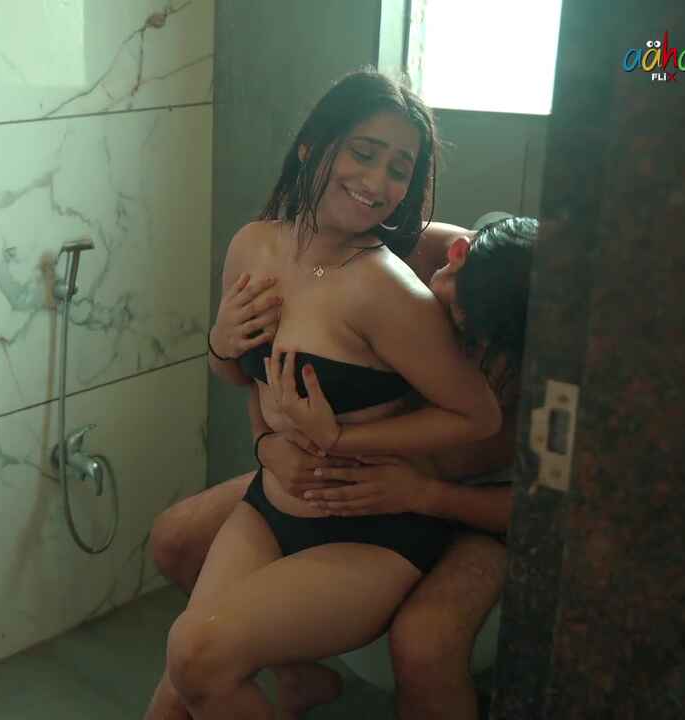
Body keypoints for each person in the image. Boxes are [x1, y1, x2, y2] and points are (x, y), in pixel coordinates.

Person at [144, 68, 505, 720]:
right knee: (180, 684)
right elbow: (245, 375)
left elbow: (477, 416)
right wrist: (220, 345)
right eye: (363, 153)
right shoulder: (254, 245)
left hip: (370, 532)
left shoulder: (387, 290)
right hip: (269, 510)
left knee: (195, 656)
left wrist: (344, 438)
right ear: (312, 145)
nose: (377, 181)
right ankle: (305, 683)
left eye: (399, 169)